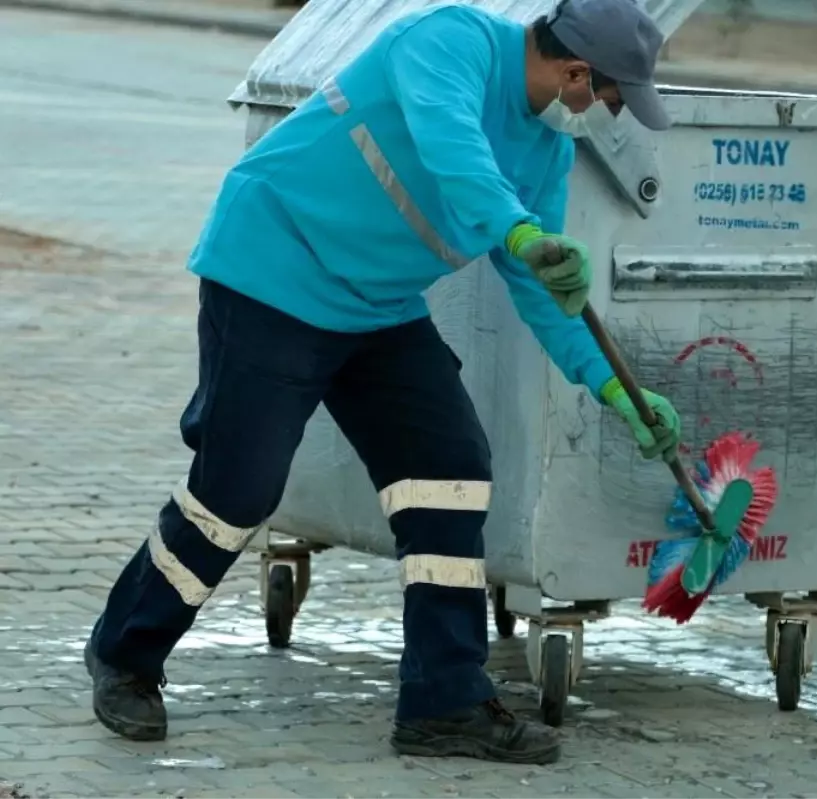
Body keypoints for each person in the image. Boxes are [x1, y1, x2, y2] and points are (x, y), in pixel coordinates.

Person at [82, 0, 680, 767]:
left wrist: (614, 388)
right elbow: (453, 150)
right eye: (610, 94)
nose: (608, 111)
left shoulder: (546, 153)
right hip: (273, 270)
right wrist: (522, 231)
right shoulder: (449, 41)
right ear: (575, 71)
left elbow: (544, 293)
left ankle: (445, 700)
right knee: (238, 489)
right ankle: (125, 656)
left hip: (375, 307)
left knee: (450, 472)